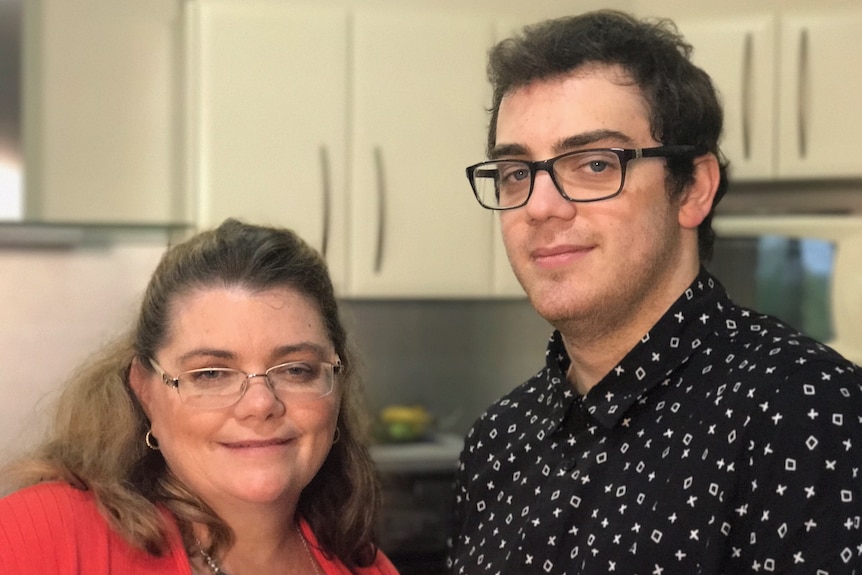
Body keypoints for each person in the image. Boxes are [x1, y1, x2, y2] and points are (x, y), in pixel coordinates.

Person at [451, 9, 862, 574]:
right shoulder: (497, 441)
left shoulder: (809, 415)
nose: (540, 207)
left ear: (694, 189)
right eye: (516, 172)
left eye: (594, 164)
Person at [0, 219, 399, 575]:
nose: (260, 405)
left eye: (296, 369)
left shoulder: (366, 566)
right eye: (210, 373)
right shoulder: (39, 537)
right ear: (146, 392)